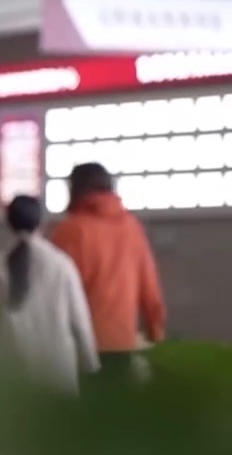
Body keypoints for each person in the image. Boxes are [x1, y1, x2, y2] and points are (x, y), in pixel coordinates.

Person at [0, 195, 98, 394]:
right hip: (57, 377)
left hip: (10, 377)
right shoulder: (62, 265)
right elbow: (79, 321)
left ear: (9, 223)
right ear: (41, 222)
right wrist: (90, 365)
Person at [49, 162, 165, 386]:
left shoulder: (70, 230)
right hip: (123, 341)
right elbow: (149, 283)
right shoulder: (131, 227)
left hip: (81, 345)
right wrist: (155, 331)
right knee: (115, 403)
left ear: (75, 188)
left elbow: (54, 292)